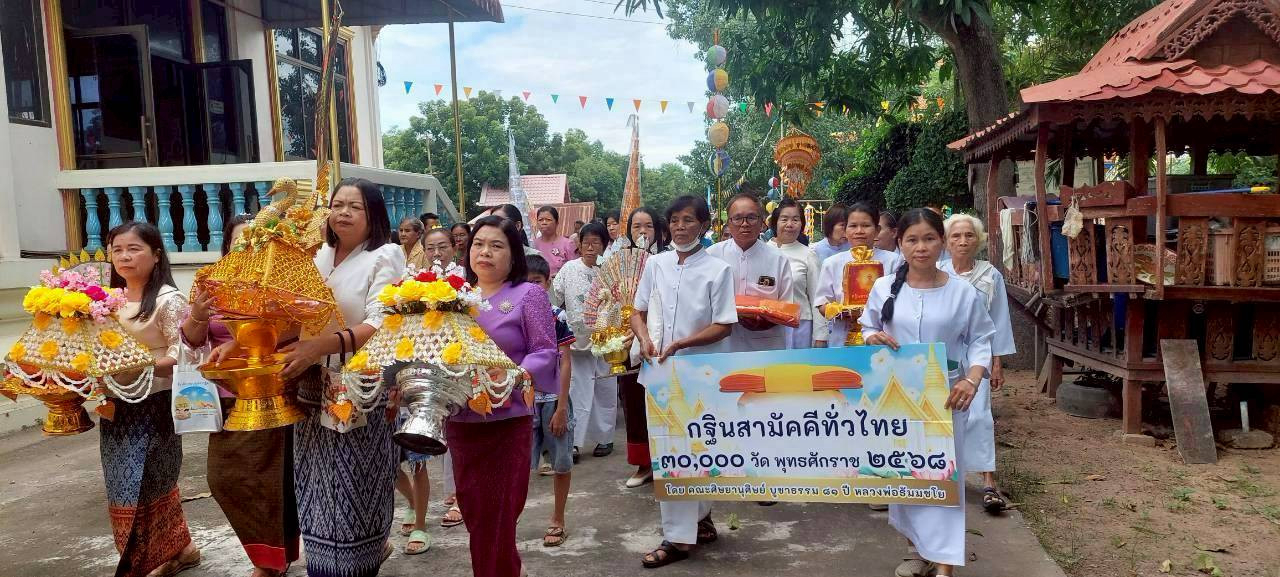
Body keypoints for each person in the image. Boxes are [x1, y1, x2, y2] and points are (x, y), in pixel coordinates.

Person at [212, 177, 405, 577]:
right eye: (337, 204)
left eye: (355, 206)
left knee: (354, 487)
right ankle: (322, 564)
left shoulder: (385, 255)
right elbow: (293, 318)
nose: (343, 213)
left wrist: (319, 346)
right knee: (314, 486)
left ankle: (358, 562)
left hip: (358, 386)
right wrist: (244, 344)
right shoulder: (317, 257)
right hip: (309, 384)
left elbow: (381, 324)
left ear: (374, 215)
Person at [860, 208, 997, 577]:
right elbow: (867, 325)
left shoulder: (961, 292)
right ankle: (917, 549)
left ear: (942, 241)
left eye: (929, 239)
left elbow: (982, 339)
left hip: (946, 398)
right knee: (908, 477)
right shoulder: (883, 287)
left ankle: (946, 566)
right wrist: (872, 335)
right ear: (899, 243)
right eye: (912, 240)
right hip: (897, 400)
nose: (921, 248)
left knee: (945, 479)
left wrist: (972, 379)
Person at [184, 214, 299, 577]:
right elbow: (190, 341)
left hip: (273, 389)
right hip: (226, 395)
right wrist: (200, 316)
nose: (248, 247)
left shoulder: (284, 281)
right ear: (228, 246)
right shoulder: (210, 282)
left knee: (271, 479)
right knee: (223, 478)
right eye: (240, 241)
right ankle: (271, 555)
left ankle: (271, 561)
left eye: (257, 240)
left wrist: (243, 341)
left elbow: (299, 327)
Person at [631, 195, 737, 568]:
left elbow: (724, 325)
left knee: (703, 447)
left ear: (704, 225)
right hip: (660, 373)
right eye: (674, 220)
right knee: (669, 450)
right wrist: (644, 338)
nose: (679, 227)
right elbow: (638, 311)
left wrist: (682, 344)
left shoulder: (718, 269)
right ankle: (681, 533)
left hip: (702, 373)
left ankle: (695, 521)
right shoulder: (655, 264)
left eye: (688, 220)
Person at [455, 216, 558, 577]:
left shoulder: (527, 295)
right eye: (479, 244)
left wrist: (515, 374)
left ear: (513, 256)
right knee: (474, 510)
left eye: (497, 245)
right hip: (460, 420)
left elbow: (545, 350)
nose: (485, 252)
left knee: (497, 513)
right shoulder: (451, 297)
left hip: (506, 419)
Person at [102, 221, 200, 577]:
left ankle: (159, 556)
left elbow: (186, 352)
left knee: (149, 480)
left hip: (155, 404)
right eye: (117, 250)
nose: (124, 257)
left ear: (156, 255)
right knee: (121, 483)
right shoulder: (104, 302)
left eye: (134, 249)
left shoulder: (168, 301)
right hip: (116, 405)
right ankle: (180, 547)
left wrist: (141, 367)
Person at [939, 214, 1016, 514]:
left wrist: (997, 363)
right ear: (945, 241)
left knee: (980, 415)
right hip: (944, 351)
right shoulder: (938, 271)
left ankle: (988, 480)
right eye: (956, 236)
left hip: (977, 353)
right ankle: (943, 476)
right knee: (943, 414)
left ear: (979, 240)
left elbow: (998, 321)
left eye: (969, 235)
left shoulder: (990, 275)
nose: (962, 241)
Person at [612, 206, 669, 487]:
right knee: (634, 403)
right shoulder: (617, 263)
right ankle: (643, 463)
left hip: (661, 341)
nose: (642, 232)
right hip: (628, 340)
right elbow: (607, 302)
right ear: (629, 231)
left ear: (657, 231)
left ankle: (671, 461)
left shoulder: (669, 260)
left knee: (665, 401)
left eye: (648, 226)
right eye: (636, 226)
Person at [551, 222, 614, 461]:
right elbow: (555, 299)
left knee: (605, 389)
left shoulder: (610, 271)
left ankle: (605, 438)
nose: (590, 248)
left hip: (607, 341)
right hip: (576, 342)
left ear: (603, 245)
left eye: (596, 243)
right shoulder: (568, 269)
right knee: (576, 389)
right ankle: (574, 443)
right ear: (579, 244)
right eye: (586, 242)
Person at [527, 254, 577, 547]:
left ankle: (557, 518)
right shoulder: (515, 314)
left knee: (561, 462)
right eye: (526, 283)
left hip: (553, 398)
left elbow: (565, 363)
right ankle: (512, 516)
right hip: (524, 400)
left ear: (548, 283)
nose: (531, 288)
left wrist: (560, 407)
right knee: (520, 465)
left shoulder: (557, 316)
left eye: (537, 282)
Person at [708, 193, 795, 353]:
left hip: (766, 347)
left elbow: (787, 306)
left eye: (751, 217)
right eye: (738, 218)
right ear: (729, 222)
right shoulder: (711, 256)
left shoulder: (778, 259)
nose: (744, 224)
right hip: (722, 348)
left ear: (762, 222)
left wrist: (767, 321)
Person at [814, 203, 903, 348]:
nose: (859, 231)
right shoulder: (832, 263)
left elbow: (901, 298)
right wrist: (840, 310)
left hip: (883, 337)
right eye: (853, 226)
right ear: (845, 230)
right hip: (842, 337)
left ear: (877, 230)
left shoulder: (893, 260)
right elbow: (821, 302)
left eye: (866, 225)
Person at [769, 198, 822, 349]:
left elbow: (818, 298)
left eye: (795, 220)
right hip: (767, 326)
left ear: (802, 224)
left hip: (800, 326)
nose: (789, 225)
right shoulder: (763, 251)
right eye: (784, 219)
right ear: (775, 222)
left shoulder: (808, 254)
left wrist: (820, 336)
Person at [533, 206, 577, 278]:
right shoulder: (532, 244)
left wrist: (561, 276)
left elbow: (576, 269)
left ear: (557, 223)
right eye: (540, 220)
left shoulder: (568, 244)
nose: (544, 222)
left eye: (548, 220)